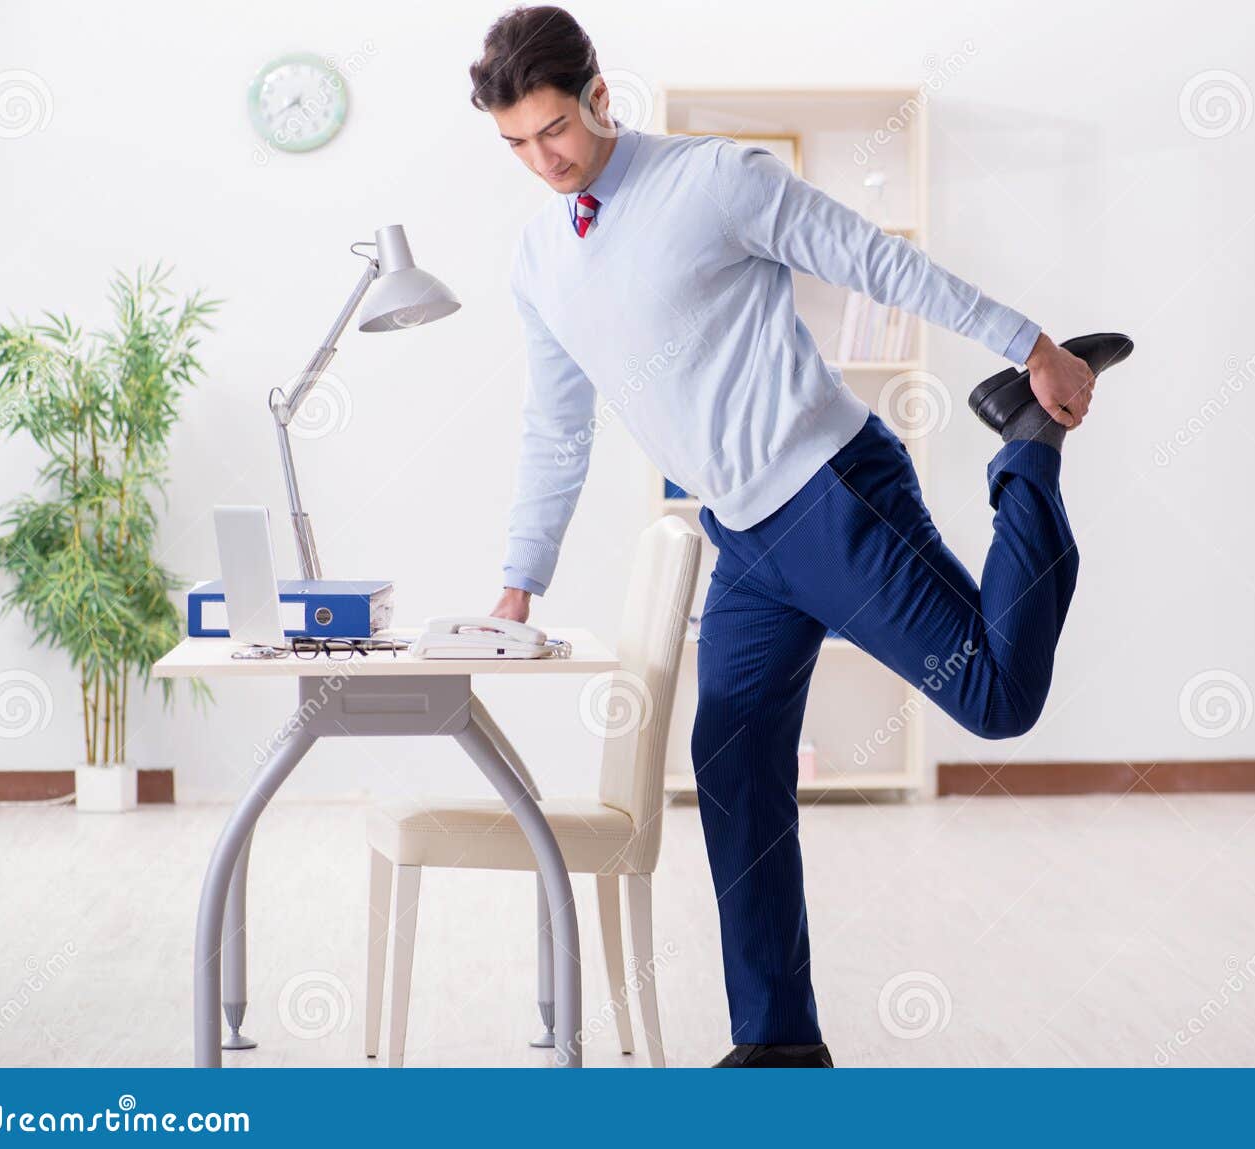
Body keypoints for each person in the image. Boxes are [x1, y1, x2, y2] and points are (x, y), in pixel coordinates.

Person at [471, 5, 1117, 1067]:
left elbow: (874, 262)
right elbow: (556, 426)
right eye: (515, 147)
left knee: (998, 700)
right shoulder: (539, 257)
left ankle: (1026, 450)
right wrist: (516, 584)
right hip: (744, 540)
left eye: (554, 130)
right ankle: (778, 1048)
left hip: (830, 496)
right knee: (730, 762)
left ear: (597, 95)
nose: (543, 161)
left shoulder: (713, 180)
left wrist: (1029, 343)